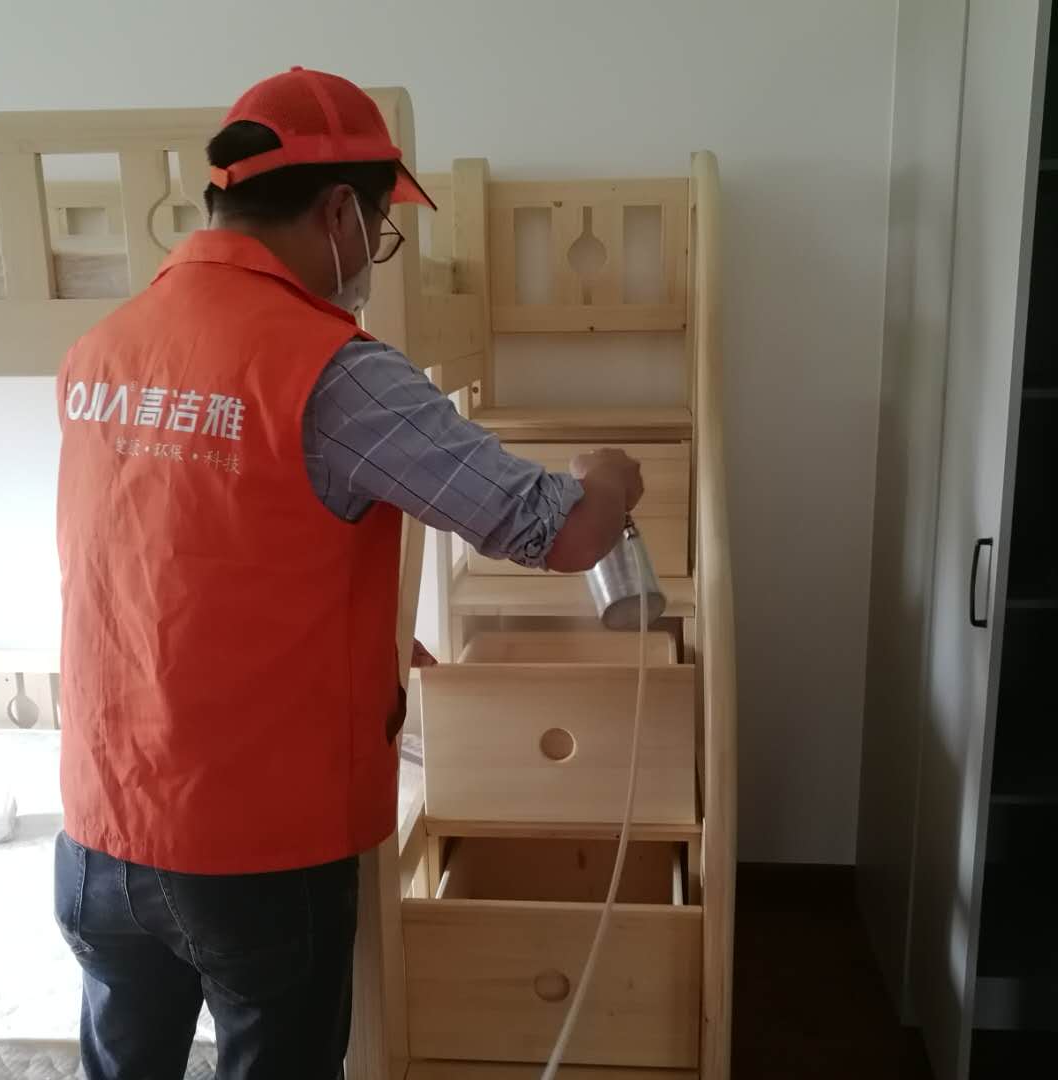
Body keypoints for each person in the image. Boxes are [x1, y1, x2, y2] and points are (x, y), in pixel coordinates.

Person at [52, 68, 642, 1080]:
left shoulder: (102, 349)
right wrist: (612, 479)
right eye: (379, 223)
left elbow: (177, 556)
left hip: (99, 831)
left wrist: (366, 647)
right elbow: (562, 533)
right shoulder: (333, 371)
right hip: (256, 853)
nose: (374, 248)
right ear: (338, 212)